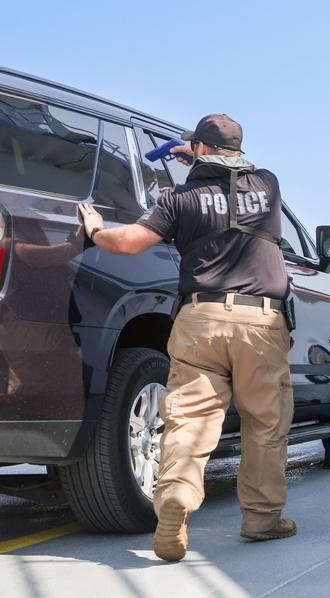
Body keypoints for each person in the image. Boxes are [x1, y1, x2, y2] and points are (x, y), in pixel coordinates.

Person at [76, 113, 295, 561]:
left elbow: (134, 241)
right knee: (265, 424)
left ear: (198, 149)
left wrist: (96, 228)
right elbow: (234, 182)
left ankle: (175, 497)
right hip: (261, 322)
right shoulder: (268, 184)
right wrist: (198, 154)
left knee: (189, 420)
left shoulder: (178, 198)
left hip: (201, 318)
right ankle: (261, 520)